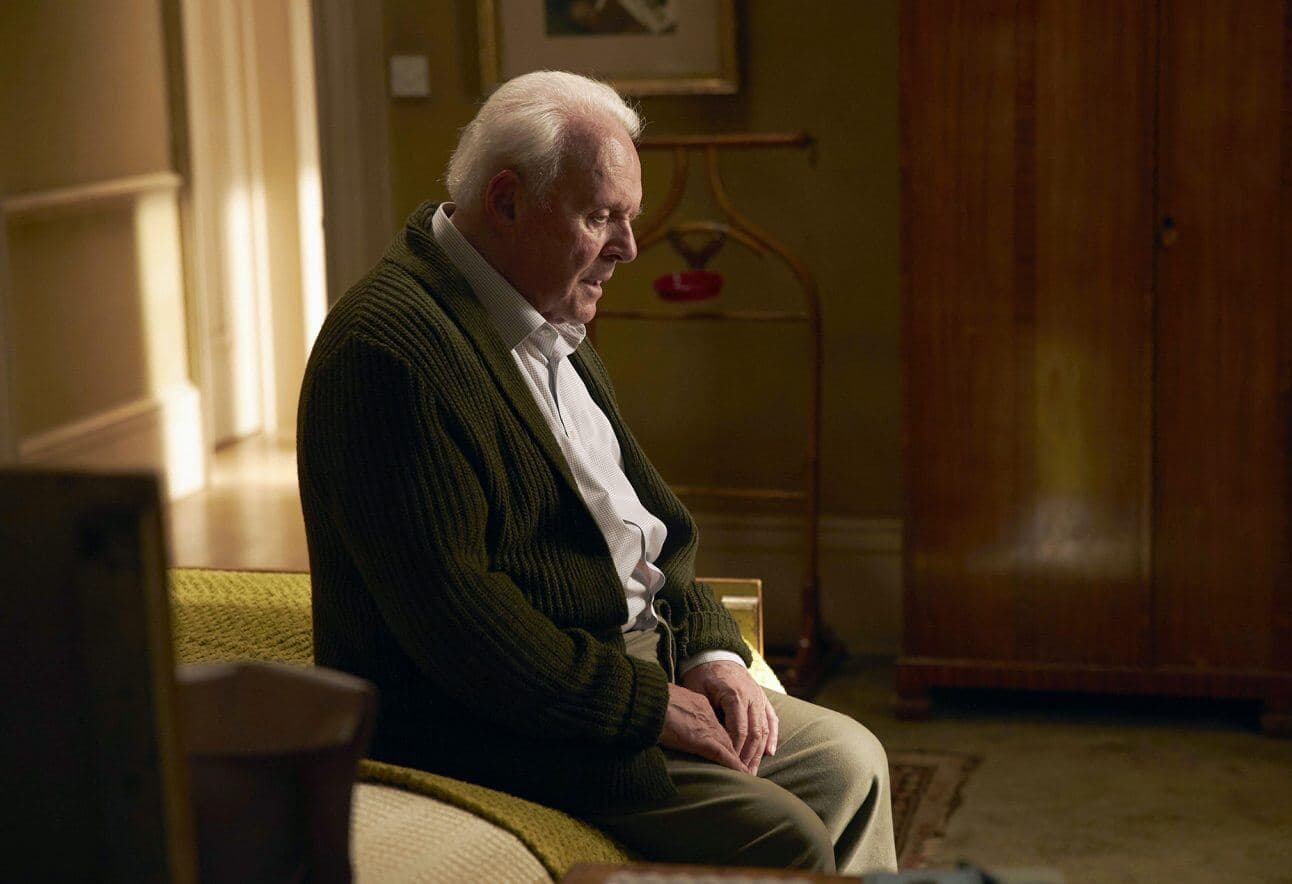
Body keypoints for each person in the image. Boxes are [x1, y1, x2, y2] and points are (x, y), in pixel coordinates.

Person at [296, 70, 896, 874]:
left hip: (621, 671)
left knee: (853, 762)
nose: (629, 246)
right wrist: (650, 708)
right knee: (782, 836)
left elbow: (645, 529)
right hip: (502, 722)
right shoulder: (390, 353)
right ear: (505, 202)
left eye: (629, 218)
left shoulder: (541, 317)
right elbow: (462, 628)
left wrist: (714, 655)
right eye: (602, 217)